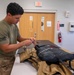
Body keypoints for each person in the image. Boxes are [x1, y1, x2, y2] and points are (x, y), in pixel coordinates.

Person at [0, 2, 36, 75]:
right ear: (9, 14)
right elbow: (5, 48)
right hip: (2, 60)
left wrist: (29, 40)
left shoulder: (14, 25)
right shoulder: (2, 27)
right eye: (17, 18)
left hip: (11, 57)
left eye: (19, 18)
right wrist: (23, 43)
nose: (18, 20)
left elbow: (19, 38)